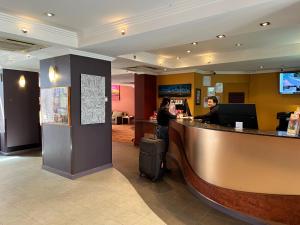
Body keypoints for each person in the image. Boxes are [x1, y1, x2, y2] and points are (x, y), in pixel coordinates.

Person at [156, 97, 177, 172]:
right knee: (164, 147)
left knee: (161, 147)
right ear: (168, 103)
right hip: (163, 129)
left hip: (159, 128)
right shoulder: (164, 110)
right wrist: (176, 113)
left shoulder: (161, 108)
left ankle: (161, 166)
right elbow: (173, 117)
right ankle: (163, 167)